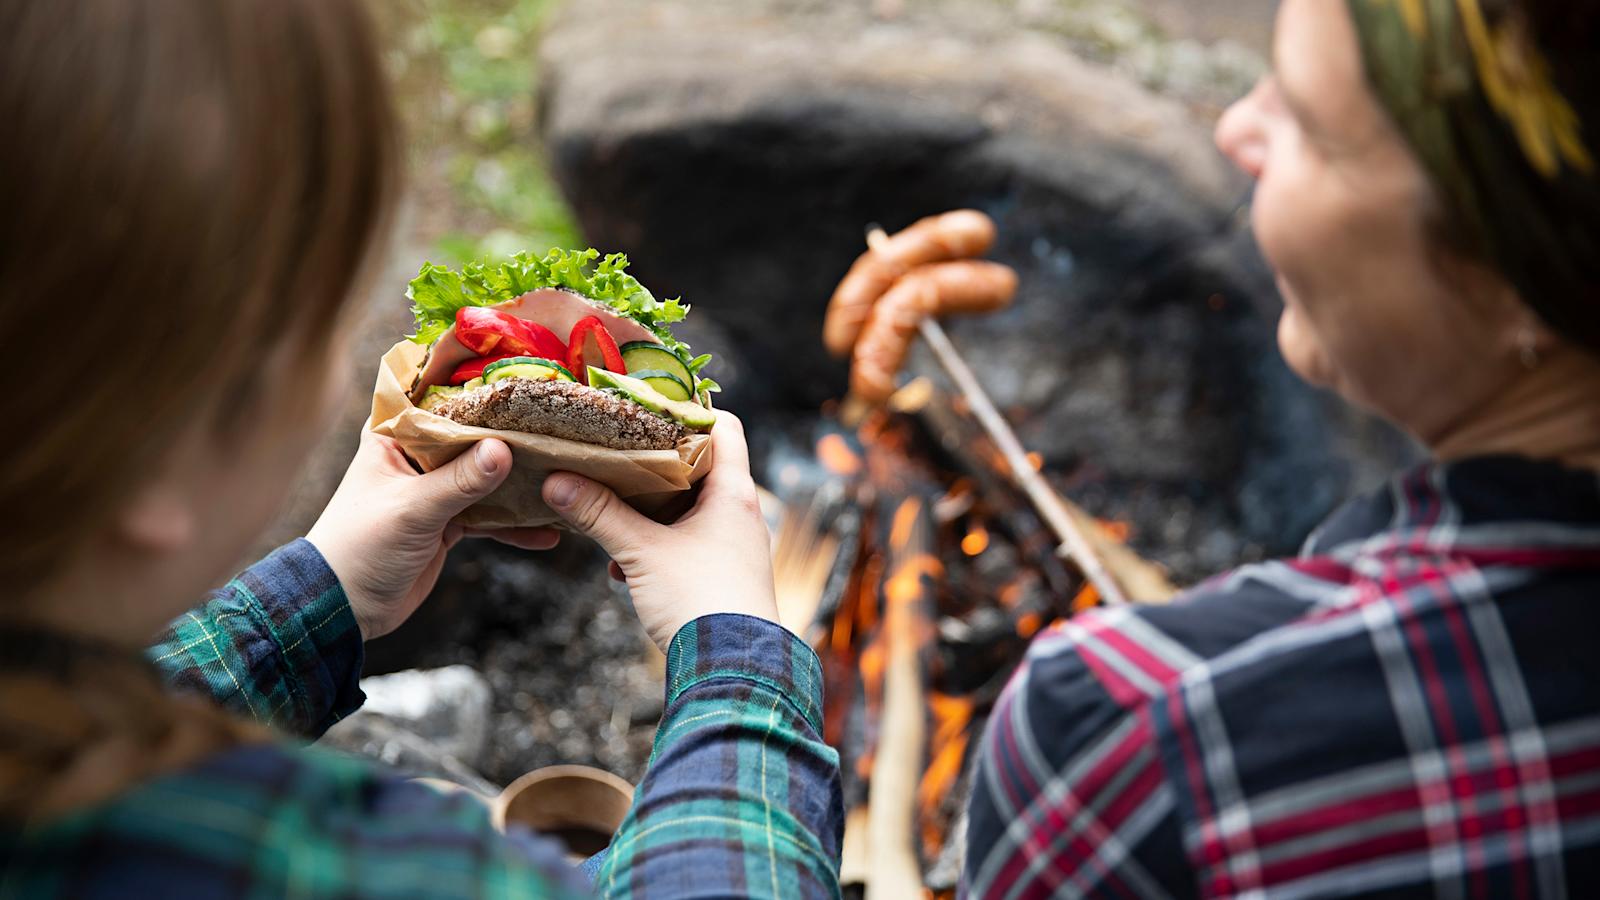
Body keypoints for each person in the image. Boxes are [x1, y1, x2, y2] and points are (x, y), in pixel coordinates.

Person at [0, 2, 840, 898]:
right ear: (156, 465)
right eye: (329, 318)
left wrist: (317, 594)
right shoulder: (362, 864)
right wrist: (737, 656)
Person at [958, 0, 1600, 895]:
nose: (1235, 128)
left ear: (1520, 271)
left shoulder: (1135, 739)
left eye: (1305, 120)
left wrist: (758, 678)